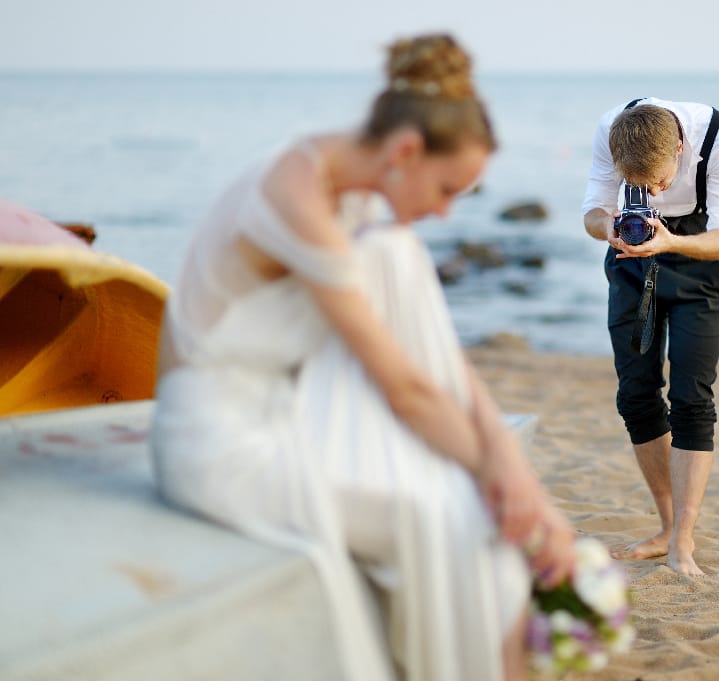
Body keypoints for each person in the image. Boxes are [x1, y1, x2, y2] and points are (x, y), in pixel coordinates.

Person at [149, 34, 576, 681]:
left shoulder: (366, 200)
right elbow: (405, 385)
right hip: (219, 438)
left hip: (289, 412)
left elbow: (443, 368)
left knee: (480, 512)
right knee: (455, 516)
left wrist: (511, 469)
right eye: (446, 188)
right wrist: (510, 487)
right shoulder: (296, 197)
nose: (445, 211)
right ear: (406, 150)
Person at [581, 97, 719, 576]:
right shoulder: (611, 128)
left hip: (700, 264)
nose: (652, 193)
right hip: (632, 265)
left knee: (692, 397)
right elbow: (592, 212)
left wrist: (671, 241)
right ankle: (667, 525)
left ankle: (684, 542)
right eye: (640, 186)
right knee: (635, 396)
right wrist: (608, 227)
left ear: (679, 148)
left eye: (658, 182)